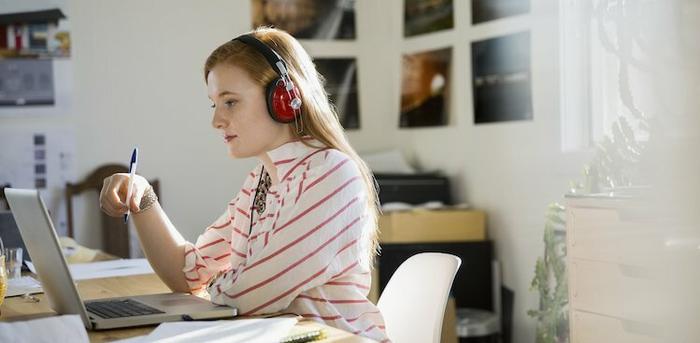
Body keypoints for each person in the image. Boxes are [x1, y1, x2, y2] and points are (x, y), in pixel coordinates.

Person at [99, 27, 389, 342]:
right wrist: (143, 198)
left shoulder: (331, 173)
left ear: (284, 98)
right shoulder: (260, 181)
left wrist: (218, 287)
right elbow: (189, 274)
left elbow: (246, 298)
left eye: (231, 102)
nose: (216, 121)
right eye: (214, 104)